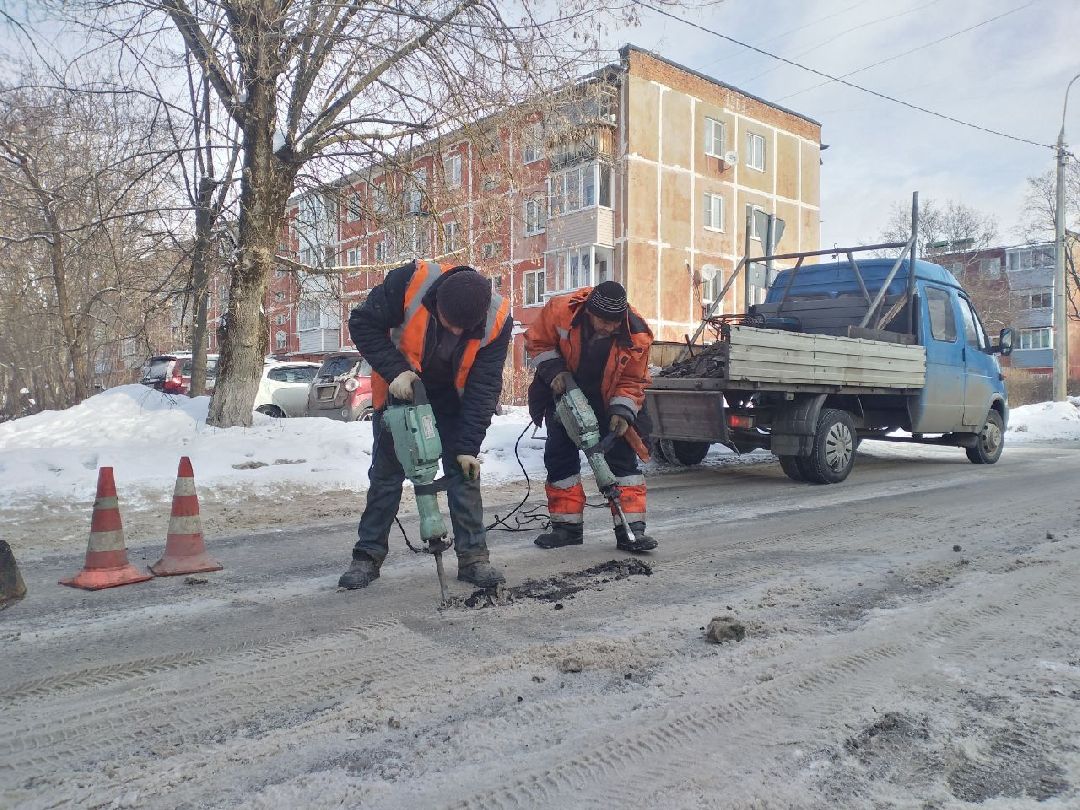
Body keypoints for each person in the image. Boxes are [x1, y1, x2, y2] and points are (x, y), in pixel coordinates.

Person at [338, 260, 511, 590]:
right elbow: (362, 323)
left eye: (464, 329)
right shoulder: (409, 283)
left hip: (453, 403)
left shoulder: (497, 319)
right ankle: (367, 556)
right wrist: (396, 371)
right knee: (386, 477)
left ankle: (474, 558)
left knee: (464, 473)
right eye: (450, 325)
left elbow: (485, 386)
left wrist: (468, 447)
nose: (457, 333)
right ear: (437, 304)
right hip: (402, 392)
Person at [525, 280, 657, 553]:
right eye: (603, 321)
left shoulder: (638, 335)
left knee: (621, 463)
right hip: (565, 393)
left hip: (608, 400)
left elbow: (634, 380)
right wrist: (554, 371)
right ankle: (567, 528)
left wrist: (622, 410)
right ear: (589, 311)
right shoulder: (560, 310)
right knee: (560, 460)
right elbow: (537, 341)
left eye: (614, 323)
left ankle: (631, 530)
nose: (608, 328)